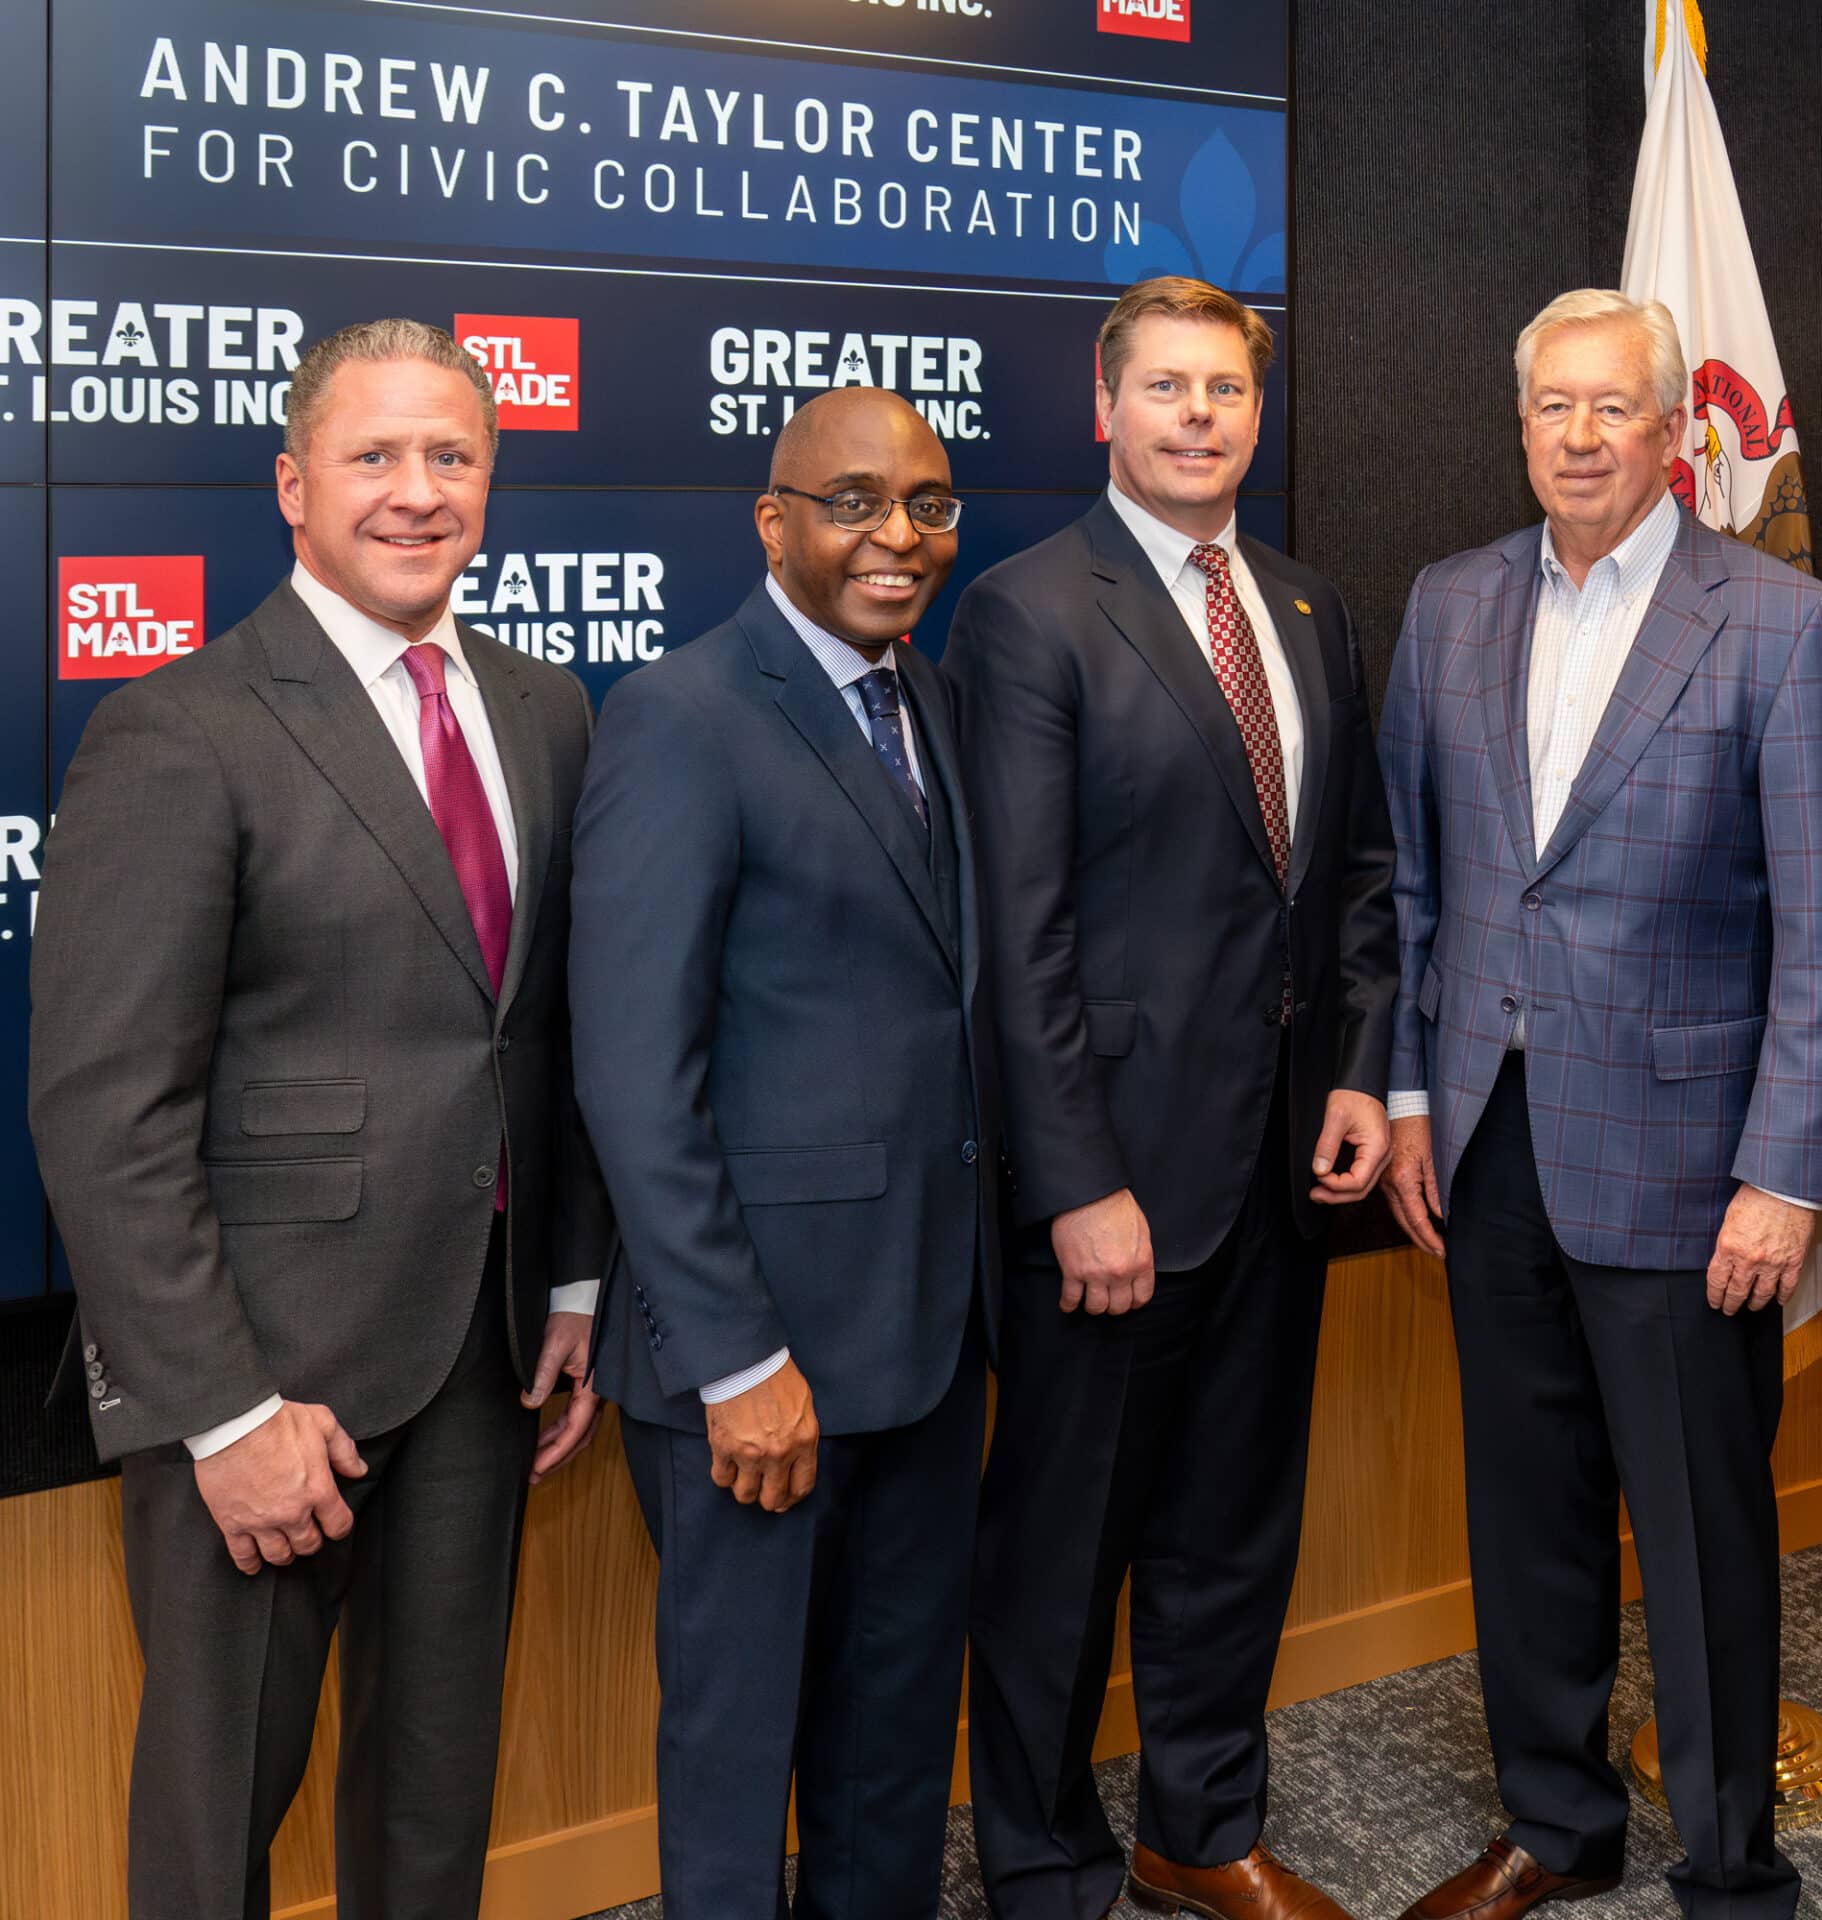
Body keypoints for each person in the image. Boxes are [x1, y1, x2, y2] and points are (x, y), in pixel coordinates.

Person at [27, 318, 611, 1919]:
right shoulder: (182, 727)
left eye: (452, 457)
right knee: (218, 1826)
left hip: (483, 1361)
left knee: (434, 1806)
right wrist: (220, 1415)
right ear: (292, 485)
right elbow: (102, 1110)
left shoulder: (547, 711)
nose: (416, 491)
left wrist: (569, 1283)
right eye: (374, 456)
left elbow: (545, 1036)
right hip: (265, 1390)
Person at [1378, 287, 1822, 1920]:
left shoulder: (1785, 624)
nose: (1582, 437)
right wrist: (1402, 1094)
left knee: (1698, 1528)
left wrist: (1786, 1176)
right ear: (1519, 427)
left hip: (1691, 1167)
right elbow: (1414, 883)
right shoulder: (1447, 606)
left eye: (1616, 409)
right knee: (1527, 1511)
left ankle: (1733, 1860)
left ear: (1676, 433)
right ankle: (1556, 1821)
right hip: (1488, 1139)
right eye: (1555, 409)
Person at [953, 275, 1396, 1920]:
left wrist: (1358, 1070)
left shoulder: (1300, 605)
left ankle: (1198, 1830)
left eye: (1225, 390)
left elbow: (1349, 875)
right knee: (1063, 1552)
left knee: (1233, 1531)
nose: (1200, 415)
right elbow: (1022, 928)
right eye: (1167, 389)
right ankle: (1045, 1860)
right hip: (1113, 1188)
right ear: (1105, 411)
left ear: (1255, 418)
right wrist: (1077, 1180)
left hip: (1279, 1171)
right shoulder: (1027, 610)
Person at [570, 386, 1003, 1918]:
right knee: (741, 1761)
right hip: (762, 1368)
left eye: (933, 503)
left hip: (931, 1342)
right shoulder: (680, 716)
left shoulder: (932, 699)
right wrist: (738, 1358)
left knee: (891, 1750)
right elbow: (633, 1074)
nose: (899, 534)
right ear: (773, 522)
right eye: (855, 500)